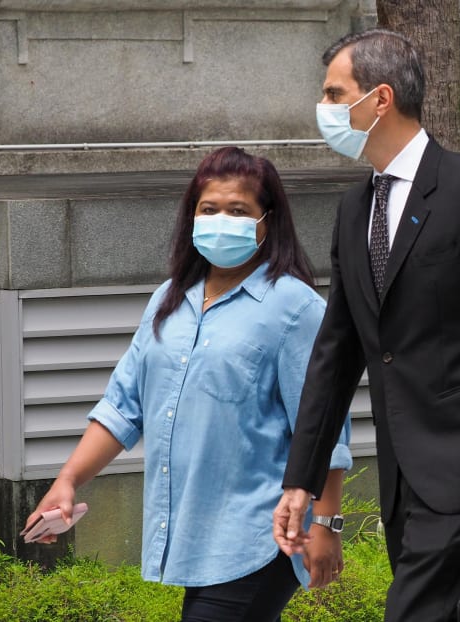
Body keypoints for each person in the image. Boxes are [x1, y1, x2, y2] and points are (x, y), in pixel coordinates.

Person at [273, 29, 460, 621]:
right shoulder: (355, 209)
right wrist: (300, 480)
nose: (323, 109)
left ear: (379, 99)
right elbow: (335, 353)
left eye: (333, 93)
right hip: (404, 476)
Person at [25, 146, 352, 622]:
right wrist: (67, 480)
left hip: (260, 535)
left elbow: (325, 424)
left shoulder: (294, 308)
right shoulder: (170, 299)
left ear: (267, 221)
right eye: (209, 208)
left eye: (238, 210)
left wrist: (326, 524)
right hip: (198, 534)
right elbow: (124, 406)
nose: (222, 219)